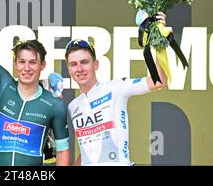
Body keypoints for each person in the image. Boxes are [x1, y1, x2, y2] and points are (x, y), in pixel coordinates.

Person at [0, 0, 71, 166]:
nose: (27, 68)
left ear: (42, 65)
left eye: (33, 62)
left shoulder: (55, 105)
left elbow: (63, 152)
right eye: (22, 62)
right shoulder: (4, 84)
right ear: (15, 64)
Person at [65, 12, 168, 166]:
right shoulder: (73, 106)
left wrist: (159, 41)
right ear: (68, 69)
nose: (79, 68)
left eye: (84, 62)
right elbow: (87, 149)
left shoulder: (117, 87)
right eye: (73, 64)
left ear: (96, 64)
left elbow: (159, 81)